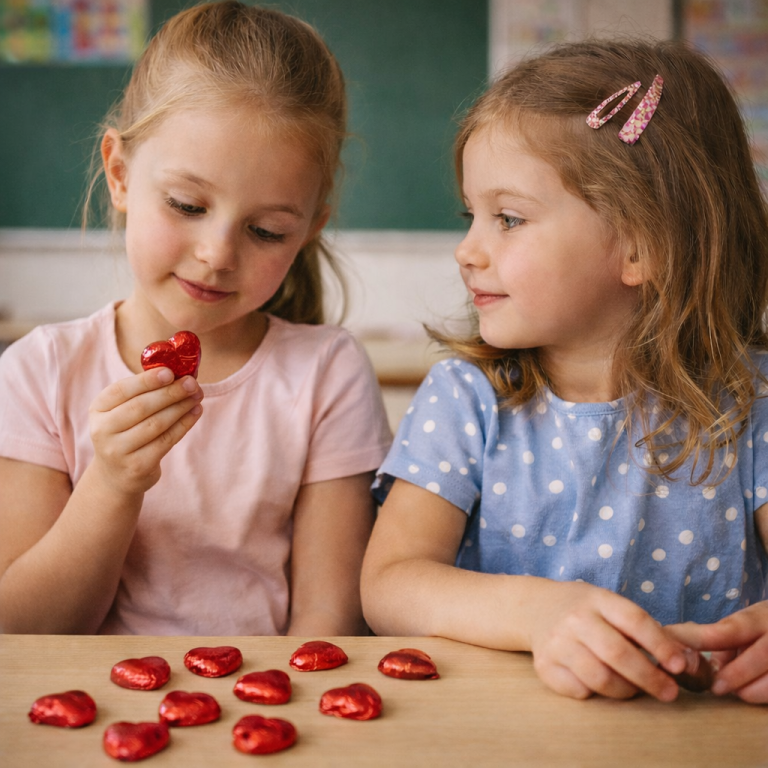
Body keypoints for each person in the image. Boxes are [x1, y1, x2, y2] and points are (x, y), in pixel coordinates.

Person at [361, 39, 768, 703]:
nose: (467, 251)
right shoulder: (467, 398)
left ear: (643, 244)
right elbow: (389, 583)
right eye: (472, 216)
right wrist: (536, 614)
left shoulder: (753, 403)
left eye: (508, 218)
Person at [0, 1, 392, 636]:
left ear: (309, 230)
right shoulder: (38, 373)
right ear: (120, 174)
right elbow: (22, 630)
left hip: (268, 718)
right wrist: (113, 485)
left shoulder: (327, 372)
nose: (217, 254)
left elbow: (328, 622)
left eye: (266, 231)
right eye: (186, 205)